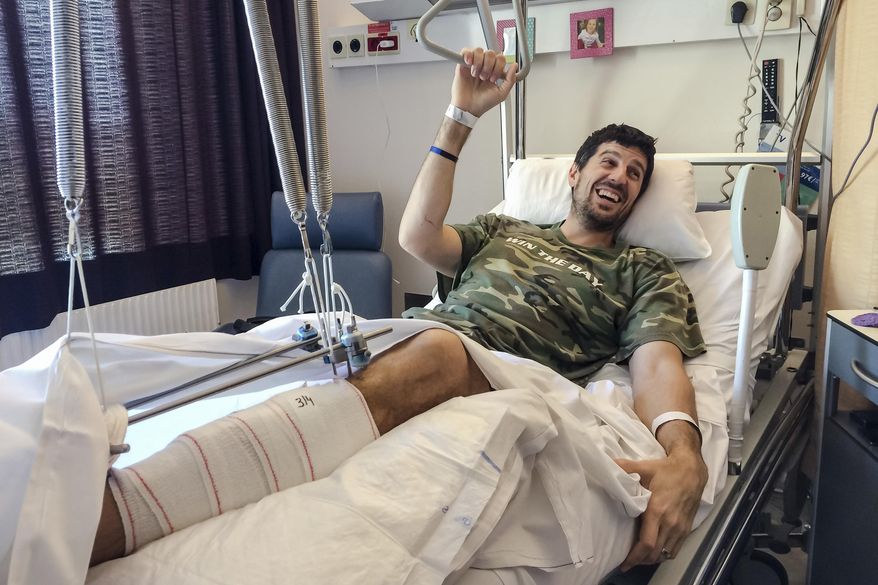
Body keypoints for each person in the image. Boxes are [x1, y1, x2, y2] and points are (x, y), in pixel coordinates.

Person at [90, 48, 708, 578]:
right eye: (609, 161)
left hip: (495, 370)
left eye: (635, 174)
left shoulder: (642, 269)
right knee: (301, 348)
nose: (620, 177)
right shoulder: (506, 229)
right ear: (574, 174)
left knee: (437, 350)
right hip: (410, 340)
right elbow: (418, 237)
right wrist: (460, 117)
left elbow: (657, 364)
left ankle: (113, 519)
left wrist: (685, 455)